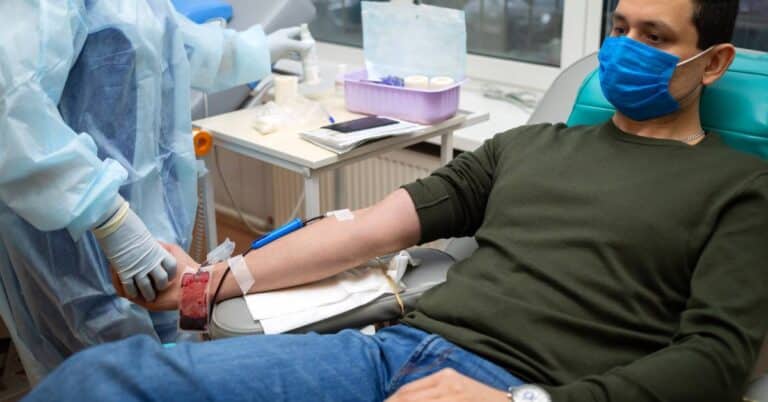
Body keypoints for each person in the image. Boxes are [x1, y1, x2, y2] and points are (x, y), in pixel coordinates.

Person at [24, 0, 768, 400]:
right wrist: (199, 287)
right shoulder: (530, 147)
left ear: (715, 62)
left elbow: (717, 359)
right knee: (99, 380)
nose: (625, 48)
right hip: (388, 353)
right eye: (618, 28)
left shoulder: (740, 188)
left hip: (533, 391)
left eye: (654, 37)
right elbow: (368, 231)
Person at [0, 0, 311, 381]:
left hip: (149, 218)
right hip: (72, 231)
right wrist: (108, 217)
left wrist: (251, 50)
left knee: (163, 361)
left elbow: (166, 42)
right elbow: (12, 110)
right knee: (94, 371)